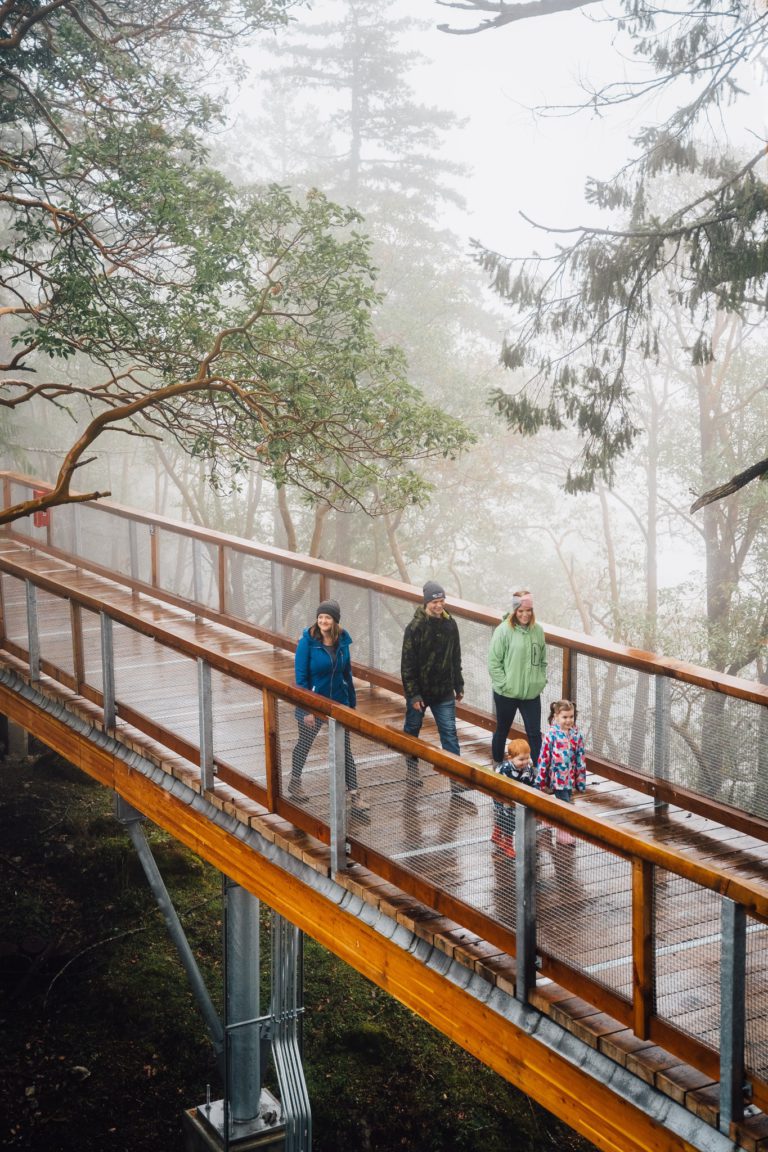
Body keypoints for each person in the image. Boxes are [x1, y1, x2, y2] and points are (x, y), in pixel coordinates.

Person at [289, 599, 369, 816]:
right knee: (305, 743)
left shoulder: (342, 641)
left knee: (345, 750)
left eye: (327, 617)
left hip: (338, 702)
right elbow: (301, 677)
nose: (323, 621)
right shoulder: (308, 641)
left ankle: (354, 794)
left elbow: (346, 673)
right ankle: (295, 781)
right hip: (313, 703)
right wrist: (306, 709)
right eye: (320, 617)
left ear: (335, 621)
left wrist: (350, 704)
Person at [401, 580, 474, 805]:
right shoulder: (415, 628)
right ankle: (411, 768)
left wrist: (458, 684)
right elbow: (407, 665)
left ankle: (456, 780)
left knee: (449, 733)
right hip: (420, 692)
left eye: (441, 601)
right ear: (426, 602)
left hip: (444, 691)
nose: (439, 605)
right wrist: (413, 695)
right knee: (412, 729)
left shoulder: (450, 624)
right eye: (434, 601)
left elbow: (456, 657)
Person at [487, 590, 547, 768]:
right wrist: (504, 685)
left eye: (528, 610)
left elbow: (543, 660)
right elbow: (493, 662)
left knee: (534, 733)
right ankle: (497, 764)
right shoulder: (503, 630)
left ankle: (539, 772)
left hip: (531, 693)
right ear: (514, 611)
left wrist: (540, 681)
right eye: (520, 611)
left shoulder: (538, 631)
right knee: (502, 730)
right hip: (507, 693)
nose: (525, 614)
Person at [491, 737, 534, 859]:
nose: (525, 762)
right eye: (521, 759)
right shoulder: (505, 769)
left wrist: (535, 790)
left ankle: (496, 834)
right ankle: (507, 845)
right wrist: (502, 799)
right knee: (509, 821)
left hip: (519, 799)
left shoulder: (528, 768)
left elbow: (531, 782)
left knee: (506, 818)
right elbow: (498, 786)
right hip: (504, 799)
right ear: (510, 758)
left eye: (527, 758)